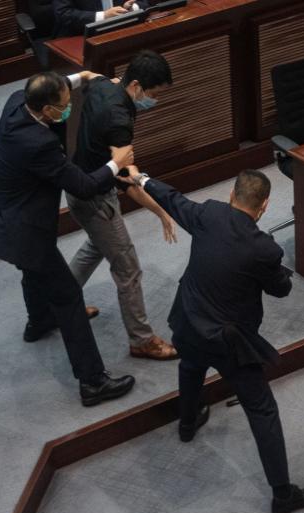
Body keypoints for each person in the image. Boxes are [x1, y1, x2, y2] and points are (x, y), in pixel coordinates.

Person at [119, 167, 304, 513]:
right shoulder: (264, 248)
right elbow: (281, 289)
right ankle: (282, 495)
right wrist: (281, 275)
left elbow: (171, 197)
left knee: (191, 365)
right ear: (264, 207)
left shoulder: (208, 214)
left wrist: (141, 178)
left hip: (187, 321)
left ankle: (186, 424)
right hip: (229, 340)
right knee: (262, 409)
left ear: (232, 194)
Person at [0, 71, 136, 406]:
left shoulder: (17, 101)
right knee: (67, 297)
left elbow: (53, 83)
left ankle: (38, 321)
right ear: (47, 110)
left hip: (2, 217)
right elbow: (83, 185)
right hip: (20, 231)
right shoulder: (39, 145)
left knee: (33, 271)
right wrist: (114, 163)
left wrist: (81, 77)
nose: (68, 108)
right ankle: (93, 383)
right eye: (64, 106)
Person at [67, 50, 178, 361]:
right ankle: (141, 340)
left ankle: (58, 301)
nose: (154, 101)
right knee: (128, 267)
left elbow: (88, 76)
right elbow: (129, 181)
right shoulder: (119, 120)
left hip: (77, 184)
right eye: (153, 94)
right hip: (95, 199)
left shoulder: (105, 85)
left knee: (97, 246)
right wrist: (161, 212)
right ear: (137, 86)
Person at [52, 0, 145, 38]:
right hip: (80, 35)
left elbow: (146, 2)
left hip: (122, 29)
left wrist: (131, 8)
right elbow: (63, 14)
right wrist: (104, 15)